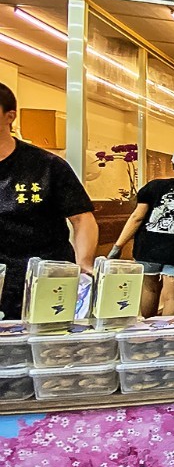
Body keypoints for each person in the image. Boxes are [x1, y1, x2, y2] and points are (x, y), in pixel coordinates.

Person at [0, 83, 97, 319]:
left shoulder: (46, 165)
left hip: (45, 279)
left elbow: (82, 218)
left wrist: (84, 262)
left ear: (9, 116)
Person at [109, 148, 174, 317]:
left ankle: (147, 329)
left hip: (147, 248)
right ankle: (168, 333)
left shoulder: (153, 186)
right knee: (173, 298)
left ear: (173, 165)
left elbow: (137, 217)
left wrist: (118, 246)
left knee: (149, 290)